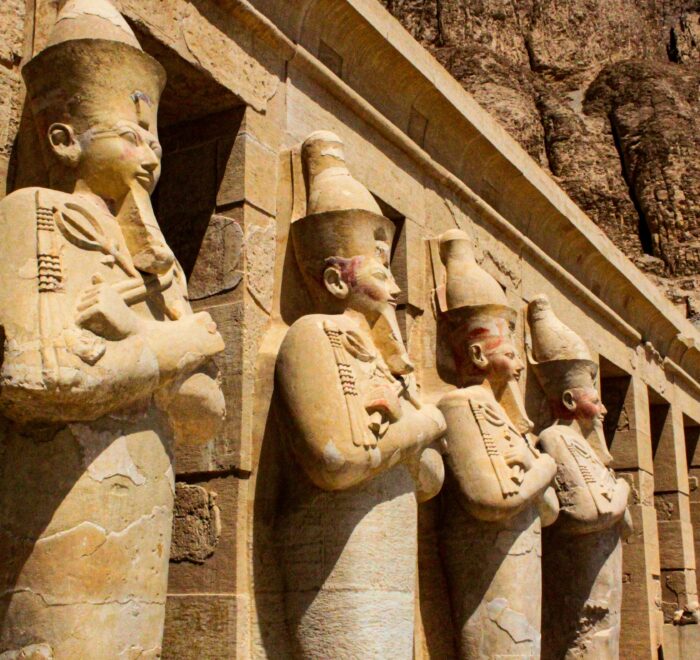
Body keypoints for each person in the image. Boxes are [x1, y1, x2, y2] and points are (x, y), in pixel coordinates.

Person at [0, 2, 225, 656]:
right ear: (63, 139)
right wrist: (173, 347)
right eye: (132, 135)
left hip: (142, 516)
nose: (151, 153)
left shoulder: (157, 266)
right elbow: (39, 374)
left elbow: (204, 413)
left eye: (155, 141)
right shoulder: (35, 214)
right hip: (62, 513)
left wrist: (160, 345)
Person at [274, 131, 446, 658]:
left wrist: (410, 426)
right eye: (380, 271)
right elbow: (338, 460)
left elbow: (429, 480)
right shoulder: (313, 335)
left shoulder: (384, 360)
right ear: (334, 280)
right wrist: (423, 426)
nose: (396, 288)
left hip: (390, 546)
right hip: (337, 548)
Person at [436, 229, 558, 659]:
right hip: (489, 565)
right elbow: (491, 498)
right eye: (509, 353)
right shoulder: (461, 405)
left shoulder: (503, 416)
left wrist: (534, 471)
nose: (520, 365)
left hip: (521, 559)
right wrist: (544, 468)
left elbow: (549, 511)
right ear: (476, 355)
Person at [528, 294, 631, 659]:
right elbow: (592, 512)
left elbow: (622, 522)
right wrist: (622, 488)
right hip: (580, 576)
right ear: (570, 401)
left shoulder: (585, 447)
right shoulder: (556, 438)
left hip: (600, 573)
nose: (603, 409)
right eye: (595, 400)